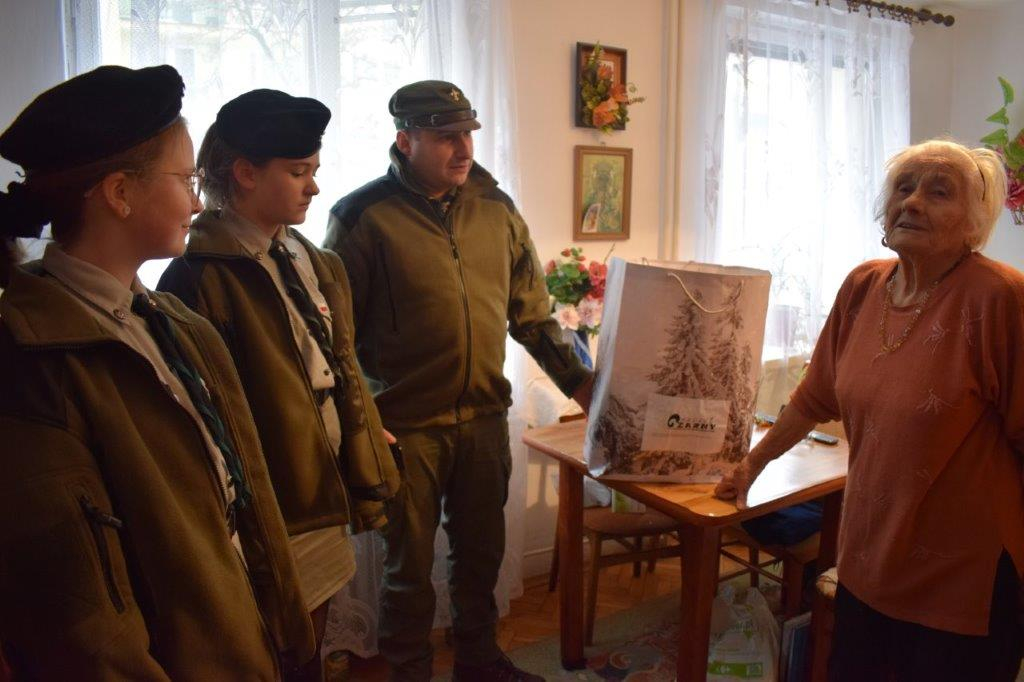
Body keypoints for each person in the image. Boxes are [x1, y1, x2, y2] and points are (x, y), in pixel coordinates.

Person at [0, 65, 314, 679]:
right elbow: (80, 612)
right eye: (186, 180)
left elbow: (239, 497)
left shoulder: (173, 323)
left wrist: (282, 627)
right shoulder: (32, 358)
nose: (197, 201)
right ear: (120, 193)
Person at [715, 139, 1024, 681]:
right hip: (868, 556)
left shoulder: (999, 297)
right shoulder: (863, 286)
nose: (913, 202)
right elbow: (814, 396)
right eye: (903, 187)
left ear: (976, 222)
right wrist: (751, 465)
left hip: (964, 577)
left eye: (939, 192)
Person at [324, 80, 594, 681]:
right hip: (405, 428)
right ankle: (409, 673)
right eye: (445, 136)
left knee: (480, 557)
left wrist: (585, 387)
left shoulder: (496, 209)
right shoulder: (361, 218)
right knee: (407, 571)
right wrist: (358, 423)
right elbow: (334, 339)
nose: (463, 147)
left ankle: (478, 662)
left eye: (467, 133)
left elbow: (532, 315)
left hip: (483, 420)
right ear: (406, 140)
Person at [157, 89, 402, 681]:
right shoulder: (196, 276)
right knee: (280, 642)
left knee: (313, 633)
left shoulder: (309, 259)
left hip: (322, 482)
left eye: (313, 170)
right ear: (245, 173)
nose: (313, 187)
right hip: (272, 500)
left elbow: (336, 363)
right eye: (297, 172)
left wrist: (364, 429)